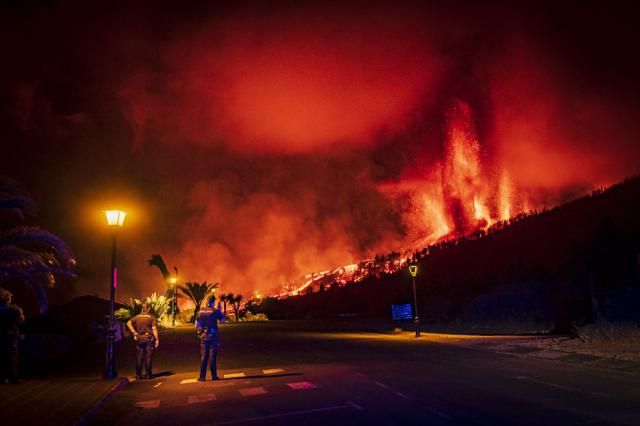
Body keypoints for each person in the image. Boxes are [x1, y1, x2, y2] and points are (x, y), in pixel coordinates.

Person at [126, 301, 159, 380]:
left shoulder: (137, 317)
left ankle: (138, 375)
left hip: (139, 338)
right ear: (148, 308)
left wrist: (134, 333)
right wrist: (157, 339)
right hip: (148, 338)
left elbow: (128, 323)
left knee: (139, 356)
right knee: (148, 356)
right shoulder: (151, 317)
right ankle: (148, 375)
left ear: (142, 308)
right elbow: (154, 329)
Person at [196, 295, 225, 381]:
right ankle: (214, 376)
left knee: (204, 356)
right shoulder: (215, 311)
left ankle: (202, 377)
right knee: (212, 356)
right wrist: (220, 310)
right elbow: (223, 321)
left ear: (207, 301)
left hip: (204, 336)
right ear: (213, 302)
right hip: (213, 336)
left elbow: (197, 325)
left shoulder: (200, 311)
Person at [0, 288, 24, 384]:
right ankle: (13, 377)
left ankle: (3, 378)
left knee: (1, 355)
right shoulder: (14, 309)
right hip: (11, 335)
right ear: (8, 299)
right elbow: (20, 322)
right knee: (12, 356)